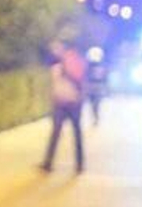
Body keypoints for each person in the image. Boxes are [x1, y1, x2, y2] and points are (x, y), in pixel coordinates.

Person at [41, 40, 88, 174]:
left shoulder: (58, 64)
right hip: (75, 102)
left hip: (62, 102)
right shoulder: (75, 60)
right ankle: (80, 165)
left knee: (56, 133)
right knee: (76, 133)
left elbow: (56, 85)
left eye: (55, 47)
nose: (53, 50)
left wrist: (53, 98)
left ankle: (48, 163)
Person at [85, 45, 108, 126]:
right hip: (93, 87)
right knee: (93, 104)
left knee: (96, 104)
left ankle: (96, 117)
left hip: (97, 87)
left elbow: (104, 78)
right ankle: (95, 117)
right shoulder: (89, 67)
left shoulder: (101, 67)